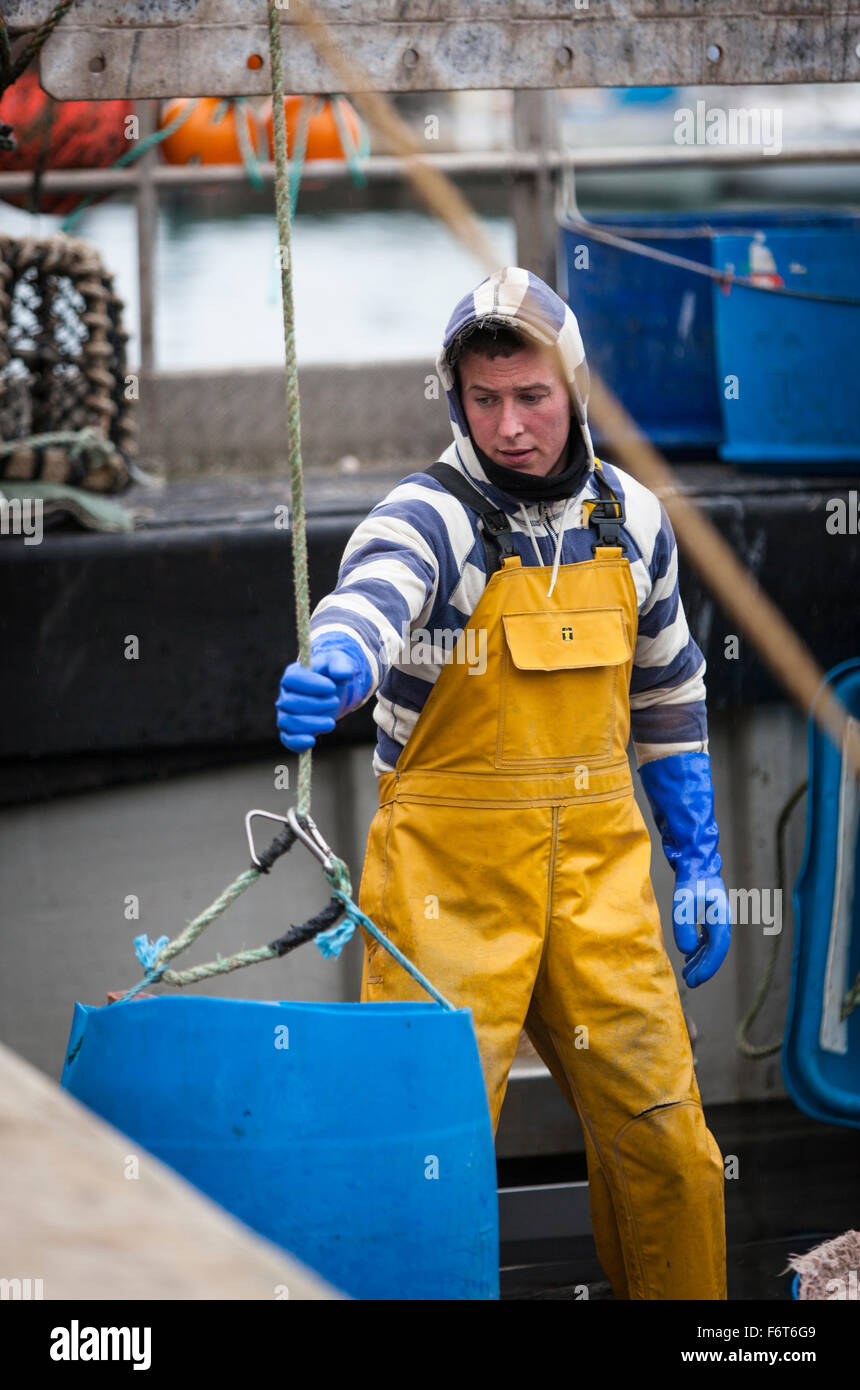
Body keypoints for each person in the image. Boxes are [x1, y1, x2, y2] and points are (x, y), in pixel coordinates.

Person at [275, 266, 729, 1300]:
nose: (509, 426)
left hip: (599, 889)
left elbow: (668, 698)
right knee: (421, 1159)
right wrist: (339, 660)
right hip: (447, 886)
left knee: (670, 1147)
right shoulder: (430, 515)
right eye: (484, 400)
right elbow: (375, 589)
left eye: (530, 396)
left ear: (573, 392)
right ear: (454, 400)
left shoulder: (635, 522)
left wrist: (697, 858)